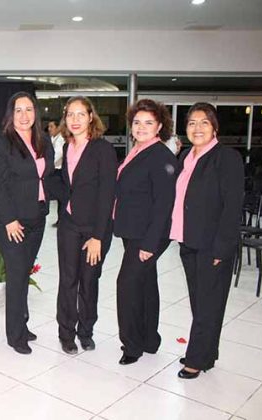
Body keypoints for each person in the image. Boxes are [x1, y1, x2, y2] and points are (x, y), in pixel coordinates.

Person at [169, 102, 243, 379]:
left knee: (209, 303)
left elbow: (232, 206)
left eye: (204, 122)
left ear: (215, 127)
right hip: (188, 240)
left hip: (212, 244)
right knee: (201, 302)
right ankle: (207, 353)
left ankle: (197, 359)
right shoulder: (187, 156)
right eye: (191, 123)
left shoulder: (226, 158)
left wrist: (222, 248)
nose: (197, 128)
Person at [0, 92, 54, 355]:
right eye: (18, 110)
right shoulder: (1, 141)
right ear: (10, 114)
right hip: (11, 221)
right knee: (16, 275)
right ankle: (15, 335)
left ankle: (22, 325)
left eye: (29, 109)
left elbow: (47, 176)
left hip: (37, 217)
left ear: (35, 112)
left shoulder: (43, 140)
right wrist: (9, 219)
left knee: (24, 273)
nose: (24, 115)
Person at [113, 99, 177, 365]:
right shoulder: (139, 150)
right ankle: (150, 339)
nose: (141, 127)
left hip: (148, 235)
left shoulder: (161, 156)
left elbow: (164, 204)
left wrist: (150, 243)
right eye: (137, 122)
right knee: (146, 284)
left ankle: (132, 345)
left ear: (159, 126)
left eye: (148, 123)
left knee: (126, 284)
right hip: (135, 231)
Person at [57, 96, 117, 355]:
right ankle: (66, 333)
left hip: (94, 228)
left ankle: (86, 331)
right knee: (68, 280)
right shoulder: (66, 147)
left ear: (91, 117)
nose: (76, 120)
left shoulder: (102, 149)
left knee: (89, 280)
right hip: (69, 224)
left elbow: (107, 195)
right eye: (71, 114)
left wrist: (97, 236)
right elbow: (67, 185)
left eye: (81, 114)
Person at [48, 120, 65, 226]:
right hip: (54, 170)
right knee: (59, 199)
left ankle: (62, 220)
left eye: (51, 126)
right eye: (49, 127)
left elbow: (58, 153)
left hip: (59, 171)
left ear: (58, 127)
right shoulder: (53, 138)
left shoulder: (60, 138)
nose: (49, 129)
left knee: (61, 198)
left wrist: (49, 164)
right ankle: (60, 219)